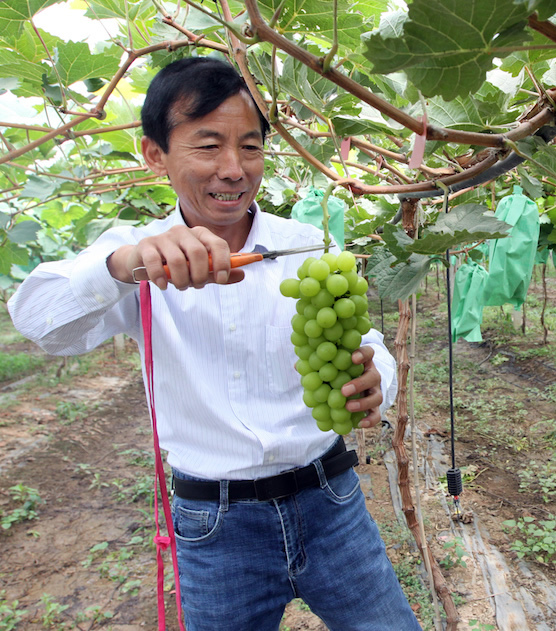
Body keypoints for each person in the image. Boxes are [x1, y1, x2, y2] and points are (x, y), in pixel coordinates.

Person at [8, 56, 422, 631]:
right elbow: (39, 321)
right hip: (214, 527)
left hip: (333, 503)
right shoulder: (137, 254)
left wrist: (377, 375)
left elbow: (365, 342)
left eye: (249, 148)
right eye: (207, 147)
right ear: (155, 154)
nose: (233, 169)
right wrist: (120, 266)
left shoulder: (301, 246)